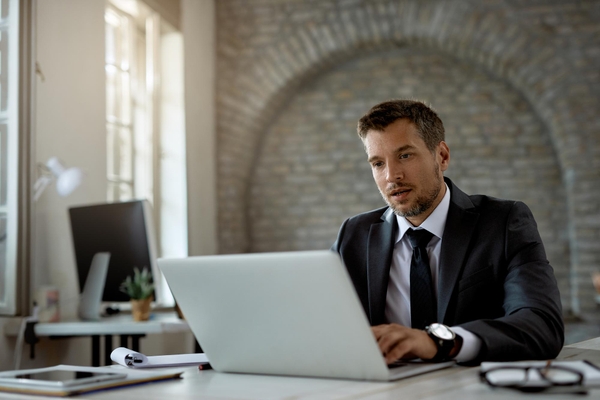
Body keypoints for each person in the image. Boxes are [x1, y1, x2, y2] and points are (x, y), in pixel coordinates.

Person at [331, 99, 564, 364]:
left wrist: (442, 342)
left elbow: (542, 325)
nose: (391, 176)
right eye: (377, 163)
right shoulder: (353, 235)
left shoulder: (504, 223)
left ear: (441, 156)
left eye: (404, 155)